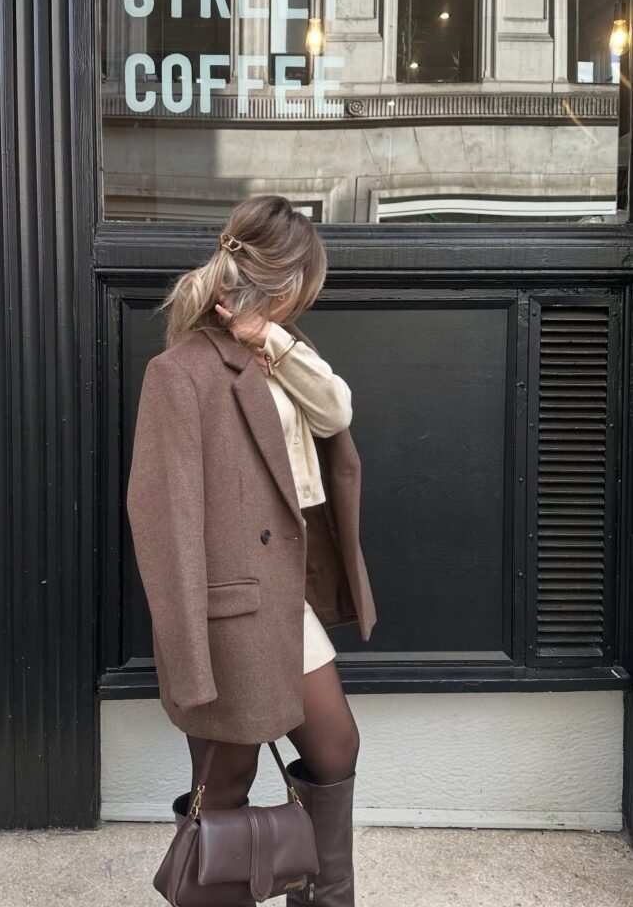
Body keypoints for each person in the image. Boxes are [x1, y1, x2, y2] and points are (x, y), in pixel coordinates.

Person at [126, 194, 377, 906]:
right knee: (224, 787)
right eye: (304, 282)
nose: (307, 297)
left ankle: (322, 899)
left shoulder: (285, 355)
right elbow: (161, 519)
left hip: (285, 599)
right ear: (281, 276)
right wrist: (187, 656)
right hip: (230, 616)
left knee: (334, 748)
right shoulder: (181, 374)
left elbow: (335, 412)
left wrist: (268, 336)